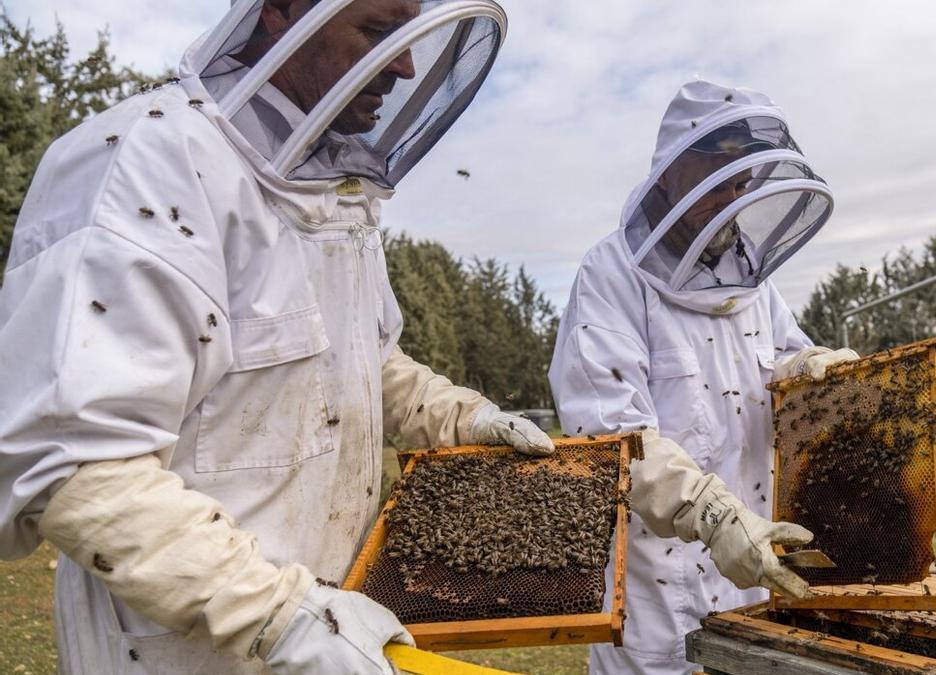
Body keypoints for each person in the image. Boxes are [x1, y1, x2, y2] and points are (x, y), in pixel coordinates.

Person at [0, 1, 553, 673]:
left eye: (409, 35)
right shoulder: (148, 163)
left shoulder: (339, 198)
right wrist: (282, 617)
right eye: (379, 32)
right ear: (282, 13)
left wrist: (466, 416)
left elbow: (363, 364)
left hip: (335, 632)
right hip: (187, 653)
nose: (404, 64)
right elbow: (79, 464)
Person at [549, 79, 859, 675]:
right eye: (716, 182)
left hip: (756, 576)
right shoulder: (611, 276)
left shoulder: (753, 285)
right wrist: (712, 515)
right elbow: (611, 437)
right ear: (668, 174)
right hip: (657, 594)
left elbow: (783, 363)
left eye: (742, 185)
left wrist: (811, 372)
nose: (733, 200)